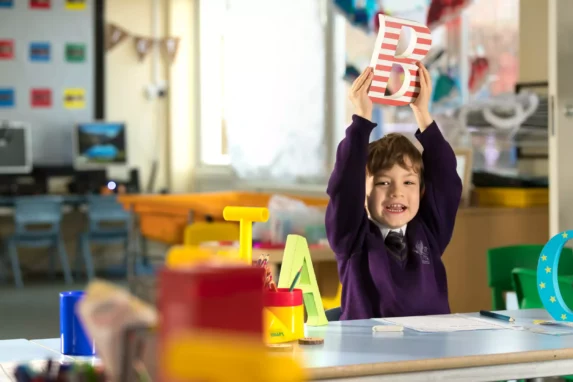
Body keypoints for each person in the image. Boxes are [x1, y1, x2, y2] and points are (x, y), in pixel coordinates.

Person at [325, 63, 463, 320]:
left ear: (421, 190)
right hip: (371, 354)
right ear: (363, 191)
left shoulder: (429, 232)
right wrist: (362, 117)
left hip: (430, 354)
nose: (396, 193)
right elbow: (344, 185)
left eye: (408, 183)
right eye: (383, 183)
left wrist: (422, 113)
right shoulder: (351, 238)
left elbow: (446, 180)